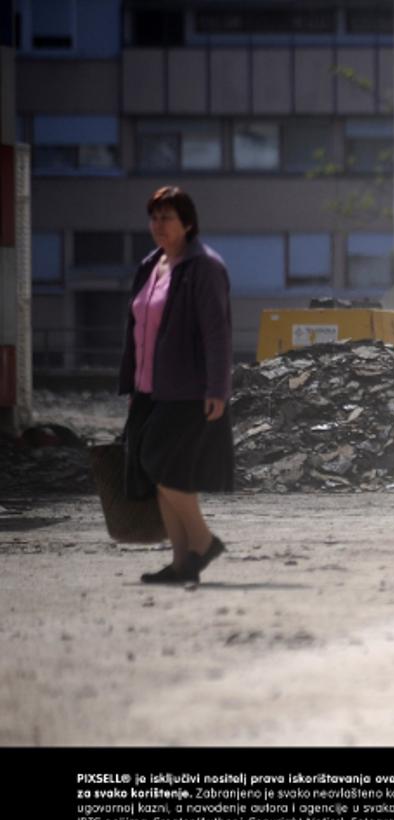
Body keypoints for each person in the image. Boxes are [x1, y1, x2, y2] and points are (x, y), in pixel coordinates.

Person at [119, 186, 234, 584]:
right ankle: (182, 561)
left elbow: (216, 332)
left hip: (189, 388)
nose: (158, 225)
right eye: (153, 217)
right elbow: (140, 329)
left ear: (187, 223)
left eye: (167, 217)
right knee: (165, 474)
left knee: (159, 463)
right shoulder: (152, 265)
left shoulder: (204, 267)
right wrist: (133, 385)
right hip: (150, 389)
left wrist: (217, 388)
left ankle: (202, 541)